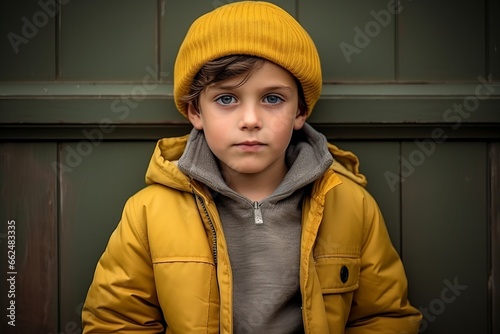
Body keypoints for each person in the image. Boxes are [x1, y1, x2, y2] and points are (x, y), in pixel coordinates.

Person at [82, 1, 422, 333]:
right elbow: (116, 322)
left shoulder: (350, 205)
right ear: (195, 112)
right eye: (226, 99)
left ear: (300, 112)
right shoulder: (149, 212)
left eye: (272, 98)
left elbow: (384, 318)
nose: (250, 120)